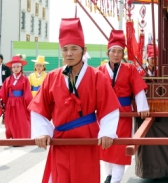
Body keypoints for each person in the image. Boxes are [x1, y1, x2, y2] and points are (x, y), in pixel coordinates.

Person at [29, 18, 121, 183]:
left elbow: (109, 107)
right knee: (60, 178)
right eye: (65, 49)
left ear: (83, 50)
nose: (69, 53)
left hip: (87, 139)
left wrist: (107, 132)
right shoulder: (52, 77)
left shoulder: (96, 77)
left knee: (85, 177)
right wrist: (42, 131)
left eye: (74, 49)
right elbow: (39, 107)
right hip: (61, 139)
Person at [98, 29, 150, 183]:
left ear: (123, 54)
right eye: (113, 51)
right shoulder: (100, 71)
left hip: (124, 113)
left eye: (119, 51)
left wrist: (142, 107)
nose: (116, 54)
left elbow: (138, 88)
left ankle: (115, 181)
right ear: (108, 53)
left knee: (120, 148)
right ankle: (108, 176)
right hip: (104, 113)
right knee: (105, 145)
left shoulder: (130, 69)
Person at [0, 55, 32, 139]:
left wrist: (28, 104)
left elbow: (27, 93)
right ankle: (12, 136)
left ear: (21, 67)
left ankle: (21, 137)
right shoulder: (8, 79)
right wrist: (3, 101)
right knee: (10, 120)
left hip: (21, 102)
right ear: (11, 68)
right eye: (14, 67)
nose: (16, 69)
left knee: (21, 120)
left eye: (18, 67)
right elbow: (3, 92)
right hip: (10, 102)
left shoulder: (25, 79)